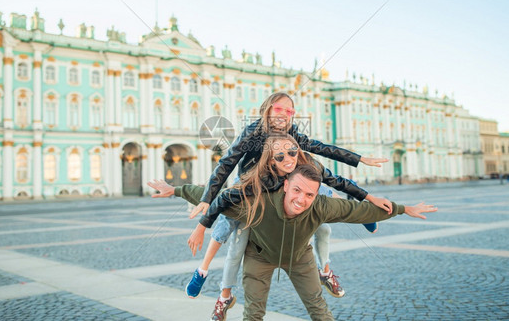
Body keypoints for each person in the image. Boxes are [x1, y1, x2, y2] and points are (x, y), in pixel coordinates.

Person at [184, 92, 387, 315]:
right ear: (268, 109)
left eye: (290, 111)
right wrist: (206, 198)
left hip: (280, 180)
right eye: (280, 109)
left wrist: (358, 159)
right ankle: (203, 274)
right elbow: (227, 163)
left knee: (323, 188)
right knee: (229, 229)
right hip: (250, 183)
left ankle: (362, 219)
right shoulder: (252, 132)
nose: (285, 115)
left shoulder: (291, 134)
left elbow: (320, 147)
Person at [148, 164, 437, 320]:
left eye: (309, 195)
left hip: (300, 257)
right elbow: (215, 194)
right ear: (286, 185)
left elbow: (359, 210)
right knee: (253, 313)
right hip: (259, 258)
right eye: (297, 190)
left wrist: (403, 209)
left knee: (319, 308)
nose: (302, 199)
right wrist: (175, 190)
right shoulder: (257, 204)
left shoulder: (321, 206)